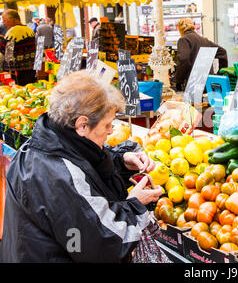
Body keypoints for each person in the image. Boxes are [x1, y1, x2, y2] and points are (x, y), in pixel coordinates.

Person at [0, 71, 170, 263]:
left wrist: (121, 160)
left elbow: (83, 164)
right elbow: (102, 241)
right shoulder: (58, 175)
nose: (111, 130)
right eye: (107, 124)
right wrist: (135, 205)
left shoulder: (50, 142)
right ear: (82, 125)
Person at [175, 18, 228, 91]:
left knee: (192, 102)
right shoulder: (204, 40)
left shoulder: (184, 40)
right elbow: (223, 52)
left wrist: (179, 80)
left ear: (180, 29)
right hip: (208, 83)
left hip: (193, 84)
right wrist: (219, 74)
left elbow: (184, 59)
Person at [0, 9, 37, 85]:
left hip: (18, 75)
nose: (3, 23)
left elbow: (6, 53)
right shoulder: (29, 30)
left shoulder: (13, 32)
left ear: (12, 20)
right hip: (31, 72)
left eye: (5, 20)